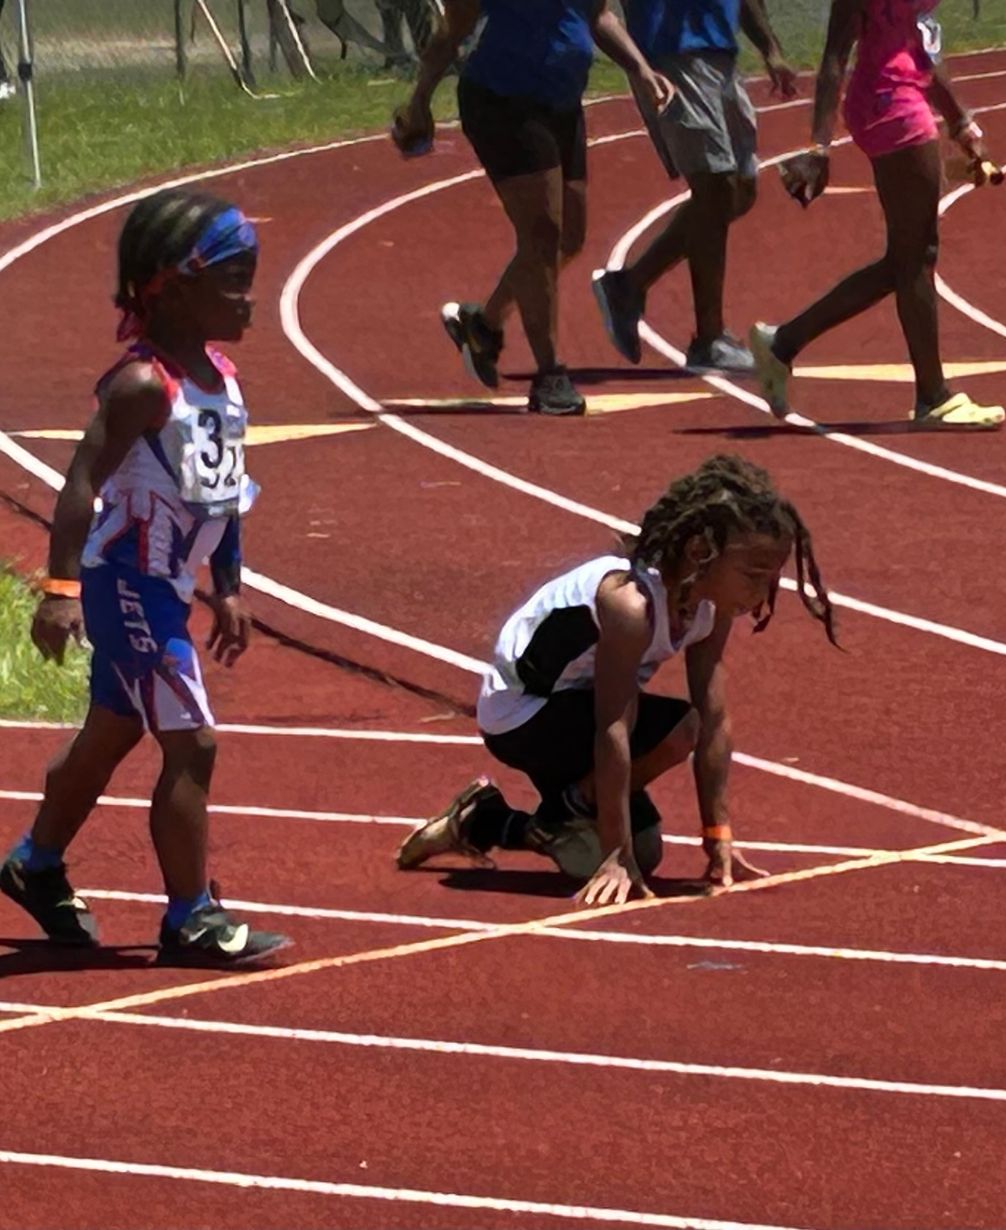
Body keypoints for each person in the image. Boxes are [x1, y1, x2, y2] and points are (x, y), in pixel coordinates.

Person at [2, 190, 289, 965]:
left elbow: (226, 495)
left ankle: (34, 863)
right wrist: (59, 591)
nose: (250, 297)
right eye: (233, 279)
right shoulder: (140, 386)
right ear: (172, 285)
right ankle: (189, 917)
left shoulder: (221, 380)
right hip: (126, 582)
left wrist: (227, 585)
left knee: (111, 733)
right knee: (192, 744)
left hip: (165, 586)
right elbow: (80, 483)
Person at [395, 454, 837, 904]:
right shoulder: (630, 603)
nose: (761, 594)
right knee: (673, 740)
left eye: (771, 578)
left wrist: (717, 833)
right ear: (701, 553)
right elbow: (614, 725)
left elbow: (715, 713)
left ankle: (483, 821)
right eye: (752, 576)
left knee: (644, 853)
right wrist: (614, 853)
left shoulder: (708, 608)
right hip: (522, 715)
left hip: (580, 714)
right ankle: (567, 812)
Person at [391, 0, 675, 415]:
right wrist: (420, 101)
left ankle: (482, 326)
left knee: (570, 237)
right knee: (542, 236)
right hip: (503, 101)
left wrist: (641, 69)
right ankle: (550, 376)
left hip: (562, 101)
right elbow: (453, 31)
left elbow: (599, 16)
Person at [749, 0, 1005, 430]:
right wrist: (819, 148)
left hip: (899, 97)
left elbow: (923, 46)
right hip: (890, 106)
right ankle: (933, 396)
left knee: (905, 260)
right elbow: (834, 58)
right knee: (917, 257)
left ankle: (783, 344)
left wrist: (962, 123)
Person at [592, 0, 799, 374]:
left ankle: (631, 285)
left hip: (720, 55)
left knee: (740, 190)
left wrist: (770, 48)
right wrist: (638, 65)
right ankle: (709, 337)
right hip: (671, 54)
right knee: (715, 189)